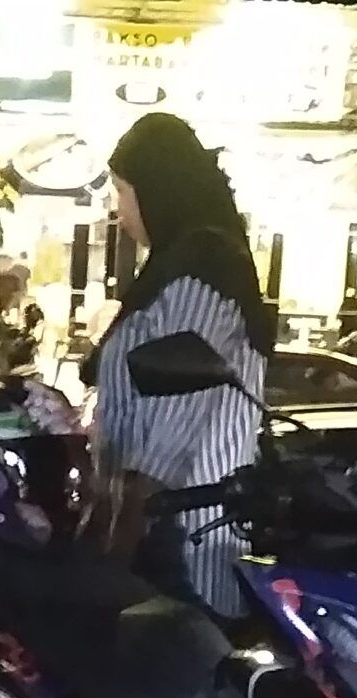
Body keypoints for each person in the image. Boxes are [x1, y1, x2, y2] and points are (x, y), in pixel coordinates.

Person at [91, 112, 275, 616]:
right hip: (160, 520)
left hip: (184, 528)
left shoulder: (203, 266)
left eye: (122, 190)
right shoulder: (175, 265)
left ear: (157, 189)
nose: (119, 209)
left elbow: (180, 406)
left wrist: (129, 520)